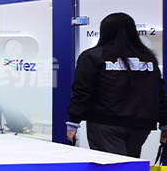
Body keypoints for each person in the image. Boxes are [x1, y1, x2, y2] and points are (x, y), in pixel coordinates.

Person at [67, 12, 167, 157]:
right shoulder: (148, 59)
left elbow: (83, 91)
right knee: (129, 164)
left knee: (113, 166)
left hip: (105, 123)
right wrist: (164, 124)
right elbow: (159, 94)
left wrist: (73, 123)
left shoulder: (93, 56)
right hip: (140, 125)